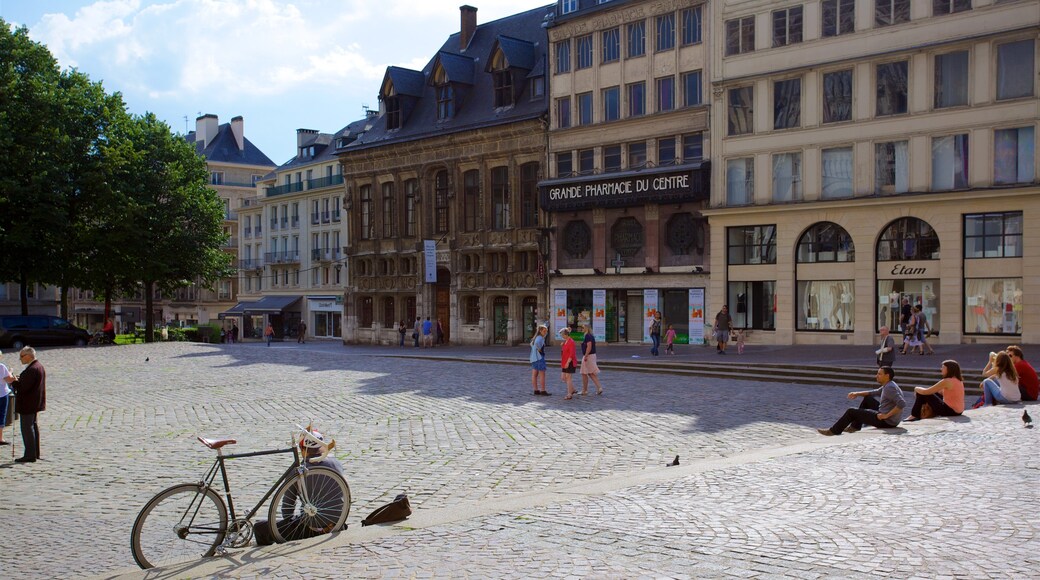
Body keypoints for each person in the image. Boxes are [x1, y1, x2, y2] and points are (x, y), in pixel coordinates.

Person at [817, 366, 905, 436]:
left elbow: (901, 403)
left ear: (887, 376)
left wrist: (886, 416)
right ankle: (855, 427)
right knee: (868, 399)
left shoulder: (890, 388)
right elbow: (876, 392)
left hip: (887, 422)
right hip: (888, 417)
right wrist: (857, 393)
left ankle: (834, 431)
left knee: (851, 411)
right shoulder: (889, 384)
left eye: (879, 374)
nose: (876, 376)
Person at [5, 346, 46, 462]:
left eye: (22, 356)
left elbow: (23, 388)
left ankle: (30, 455)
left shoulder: (33, 369)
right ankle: (34, 453)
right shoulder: (38, 366)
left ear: (28, 356)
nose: (20, 359)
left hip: (28, 403)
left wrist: (14, 381)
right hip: (33, 402)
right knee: (32, 427)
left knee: (27, 428)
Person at [579, 324, 604, 396]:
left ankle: (585, 390)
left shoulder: (588, 336)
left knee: (584, 373)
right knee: (591, 373)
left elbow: (589, 346)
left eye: (583, 327)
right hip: (591, 355)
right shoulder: (590, 336)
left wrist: (586, 355)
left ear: (587, 328)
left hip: (588, 356)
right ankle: (599, 388)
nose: (582, 329)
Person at [529, 324, 549, 396]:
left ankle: (536, 390)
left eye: (546, 331)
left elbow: (531, 344)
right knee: (542, 374)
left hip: (534, 357)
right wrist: (539, 350)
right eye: (544, 331)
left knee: (534, 374)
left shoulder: (536, 337)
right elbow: (537, 344)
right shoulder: (540, 338)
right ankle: (543, 390)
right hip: (539, 357)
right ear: (540, 331)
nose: (545, 332)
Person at [559, 328, 577, 400]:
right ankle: (572, 389)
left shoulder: (571, 342)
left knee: (568, 377)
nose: (562, 337)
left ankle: (569, 394)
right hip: (564, 361)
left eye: (562, 335)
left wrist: (568, 362)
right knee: (563, 377)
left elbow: (572, 354)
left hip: (570, 362)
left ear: (566, 334)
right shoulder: (565, 341)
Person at [0, 350, 11, 446]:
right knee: (1, 415)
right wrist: (11, 372)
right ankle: (0, 438)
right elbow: (9, 379)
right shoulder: (1, 367)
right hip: (2, 394)